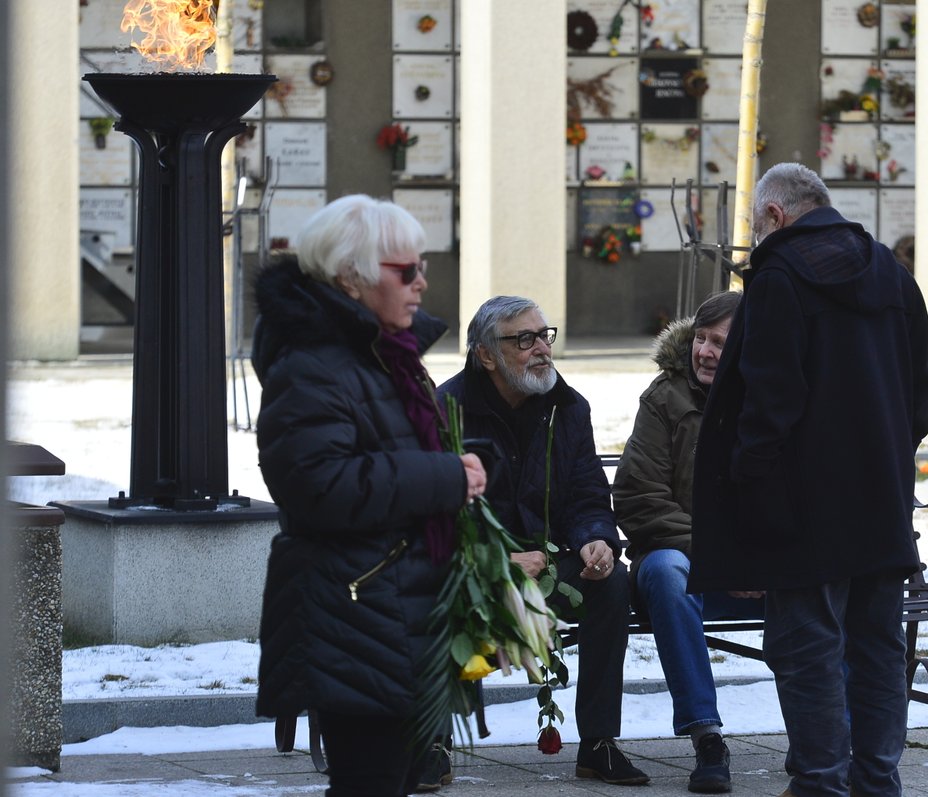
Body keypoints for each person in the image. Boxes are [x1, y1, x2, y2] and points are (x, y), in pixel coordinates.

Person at [689, 163, 928, 797]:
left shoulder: (778, 278)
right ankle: (877, 781)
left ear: (775, 215)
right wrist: (889, 457)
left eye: (754, 224)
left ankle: (820, 784)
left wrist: (751, 486)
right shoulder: (889, 270)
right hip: (880, 500)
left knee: (807, 651)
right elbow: (921, 384)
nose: (754, 237)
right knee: (879, 648)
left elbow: (769, 400)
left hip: (799, 506)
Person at [252, 194, 488, 797]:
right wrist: (444, 478)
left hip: (396, 602)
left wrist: (463, 472)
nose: (421, 283)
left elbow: (392, 455)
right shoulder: (313, 366)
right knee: (369, 781)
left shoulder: (383, 356)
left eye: (422, 268)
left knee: (397, 777)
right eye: (405, 271)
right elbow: (319, 487)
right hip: (352, 607)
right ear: (349, 278)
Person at [436, 295, 649, 787]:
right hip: (475, 568)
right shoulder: (445, 411)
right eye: (523, 339)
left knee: (611, 581)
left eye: (544, 336)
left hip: (551, 568)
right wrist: (496, 558)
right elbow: (433, 516)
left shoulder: (569, 408)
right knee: (436, 585)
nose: (541, 349)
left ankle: (598, 744)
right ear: (486, 355)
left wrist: (597, 540)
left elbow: (588, 495)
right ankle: (433, 742)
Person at [612, 290, 759, 793]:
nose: (706, 352)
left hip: (756, 569)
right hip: (680, 562)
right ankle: (706, 735)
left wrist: (752, 559)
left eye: (721, 342)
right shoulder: (663, 398)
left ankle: (817, 737)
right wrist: (721, 559)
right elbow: (638, 498)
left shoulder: (771, 395)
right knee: (667, 570)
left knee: (817, 575)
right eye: (700, 338)